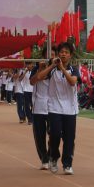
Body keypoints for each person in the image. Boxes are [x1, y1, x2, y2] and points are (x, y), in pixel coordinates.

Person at [35, 42, 80, 175]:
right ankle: (53, 158)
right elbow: (39, 77)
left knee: (69, 138)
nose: (63, 54)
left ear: (70, 55)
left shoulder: (74, 69)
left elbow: (72, 82)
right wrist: (52, 65)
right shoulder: (52, 69)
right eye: (61, 52)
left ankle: (67, 164)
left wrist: (62, 69)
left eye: (66, 52)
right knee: (54, 134)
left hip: (70, 109)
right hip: (54, 107)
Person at [29, 61, 51, 168]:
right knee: (39, 136)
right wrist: (40, 69)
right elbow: (32, 81)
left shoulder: (57, 68)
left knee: (55, 134)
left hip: (53, 107)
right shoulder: (36, 68)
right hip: (38, 106)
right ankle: (44, 159)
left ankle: (50, 156)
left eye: (53, 54)